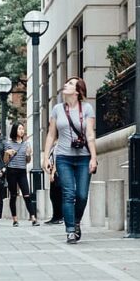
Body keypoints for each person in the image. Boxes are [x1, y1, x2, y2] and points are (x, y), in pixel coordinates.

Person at [43, 77, 97, 244]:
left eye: (71, 83)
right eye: (66, 82)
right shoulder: (57, 109)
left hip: (83, 157)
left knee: (81, 195)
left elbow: (89, 134)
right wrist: (46, 157)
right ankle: (70, 231)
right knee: (68, 194)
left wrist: (94, 157)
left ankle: (76, 221)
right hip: (63, 157)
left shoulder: (87, 108)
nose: (66, 84)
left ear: (78, 91)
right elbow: (52, 134)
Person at [4, 122, 39, 226]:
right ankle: (15, 219)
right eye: (19, 129)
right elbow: (5, 161)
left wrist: (28, 154)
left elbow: (27, 161)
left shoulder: (26, 144)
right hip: (11, 171)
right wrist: (7, 153)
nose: (22, 131)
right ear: (15, 130)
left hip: (22, 171)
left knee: (27, 195)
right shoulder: (8, 143)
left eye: (23, 129)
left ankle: (33, 218)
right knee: (13, 195)